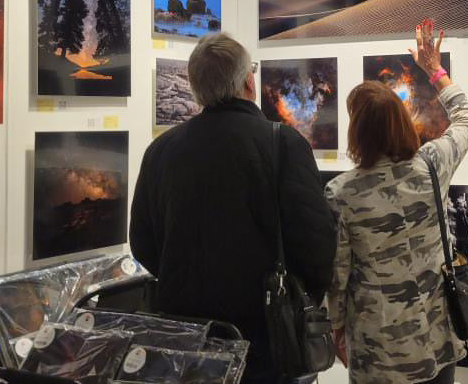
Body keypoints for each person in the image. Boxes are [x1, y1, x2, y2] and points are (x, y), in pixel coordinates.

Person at [129, 32, 336, 383]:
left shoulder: (161, 151)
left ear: (196, 89)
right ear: (249, 82)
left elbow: (144, 244)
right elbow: (317, 246)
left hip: (189, 343)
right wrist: (296, 299)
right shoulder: (282, 143)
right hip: (266, 342)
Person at [325, 19, 468, 384]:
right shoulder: (433, 163)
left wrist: (335, 330)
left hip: (380, 351)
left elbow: (338, 277)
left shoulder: (342, 193)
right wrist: (436, 70)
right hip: (439, 337)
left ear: (356, 131)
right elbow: (467, 117)